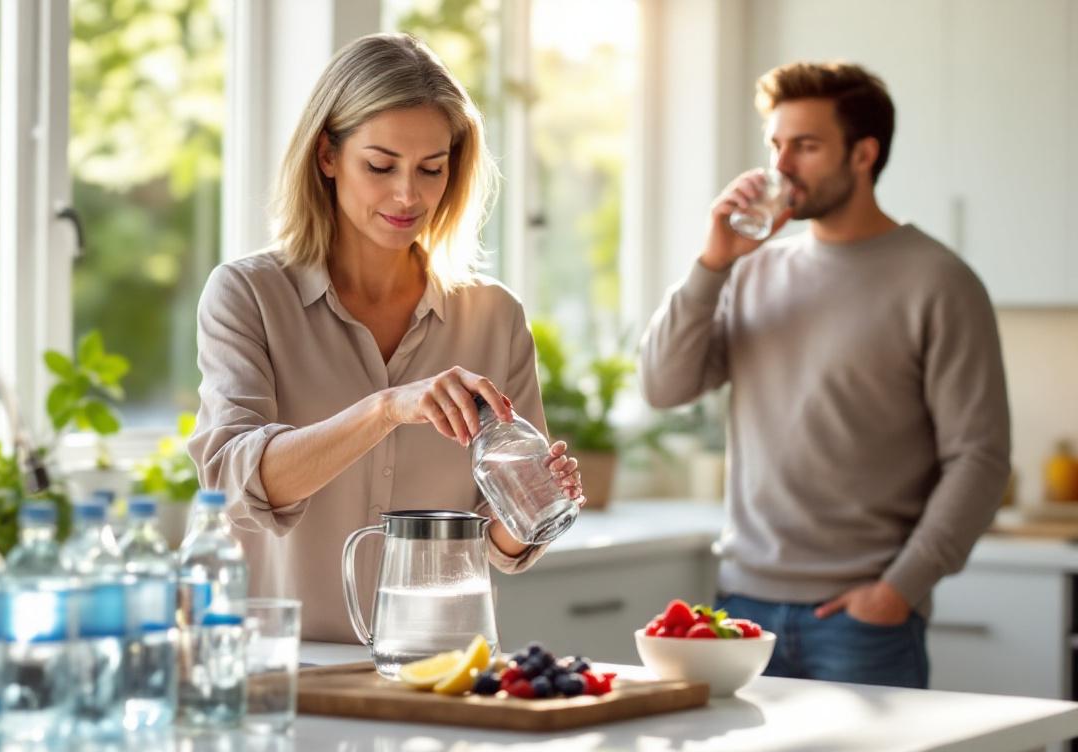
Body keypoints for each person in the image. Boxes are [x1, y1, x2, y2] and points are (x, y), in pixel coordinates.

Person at [187, 33, 584, 643]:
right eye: (380, 165)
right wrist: (387, 408)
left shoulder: (493, 316)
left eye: (432, 169)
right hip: (275, 667)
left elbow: (500, 543)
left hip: (430, 666)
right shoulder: (249, 295)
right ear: (327, 155)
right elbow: (236, 480)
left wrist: (532, 505)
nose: (408, 195)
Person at [639, 61, 1010, 687]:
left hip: (863, 619)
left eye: (806, 146)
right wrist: (712, 262)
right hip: (739, 612)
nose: (781, 166)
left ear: (863, 154)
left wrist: (899, 590)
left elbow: (980, 458)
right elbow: (663, 386)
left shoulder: (938, 281)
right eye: (776, 145)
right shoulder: (752, 271)